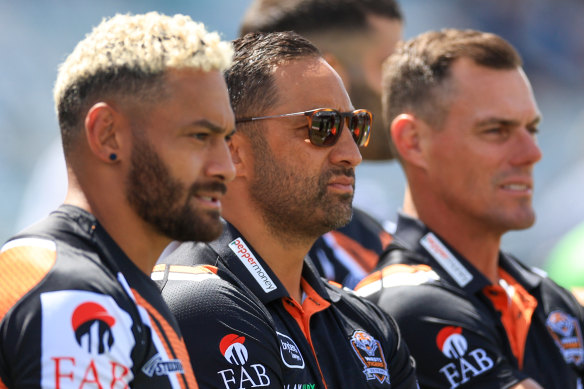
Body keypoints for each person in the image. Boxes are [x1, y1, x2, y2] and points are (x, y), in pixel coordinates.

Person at [154, 31, 418, 388]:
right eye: (322, 127)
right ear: (233, 152)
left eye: (356, 126)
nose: (351, 154)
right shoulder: (197, 303)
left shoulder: (368, 322)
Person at [0, 12, 235, 388]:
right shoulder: (75, 293)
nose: (226, 167)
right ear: (108, 135)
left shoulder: (111, 280)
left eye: (226, 138)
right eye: (198, 136)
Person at [355, 28, 584, 388]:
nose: (532, 153)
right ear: (413, 141)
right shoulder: (406, 304)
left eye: (532, 128)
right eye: (496, 130)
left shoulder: (544, 294)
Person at [239, 0, 404, 288]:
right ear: (332, 70)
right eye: (387, 66)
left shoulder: (369, 235)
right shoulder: (201, 262)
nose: (401, 87)